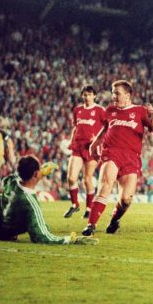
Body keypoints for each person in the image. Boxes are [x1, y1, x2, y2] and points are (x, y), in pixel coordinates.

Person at [82, 80, 153, 236]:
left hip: (132, 158)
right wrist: (94, 144)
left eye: (117, 93)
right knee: (105, 184)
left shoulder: (140, 111)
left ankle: (114, 220)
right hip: (111, 152)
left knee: (126, 199)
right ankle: (91, 225)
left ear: (128, 95)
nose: (114, 96)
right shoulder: (110, 110)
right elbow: (105, 129)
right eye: (112, 92)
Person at [0, 155, 97, 245]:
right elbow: (41, 236)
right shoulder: (30, 204)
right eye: (40, 170)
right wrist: (71, 239)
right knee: (38, 225)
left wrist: (39, 172)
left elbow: (7, 179)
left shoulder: (11, 181)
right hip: (0, 234)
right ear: (35, 174)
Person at [64, 85, 106, 219]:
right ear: (82, 96)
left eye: (89, 94)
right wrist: (71, 141)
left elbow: (107, 128)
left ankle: (89, 208)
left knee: (87, 179)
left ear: (94, 96)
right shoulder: (77, 110)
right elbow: (75, 128)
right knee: (71, 178)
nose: (87, 97)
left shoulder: (100, 110)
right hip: (78, 146)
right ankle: (75, 204)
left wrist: (98, 140)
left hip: (91, 147)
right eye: (85, 95)